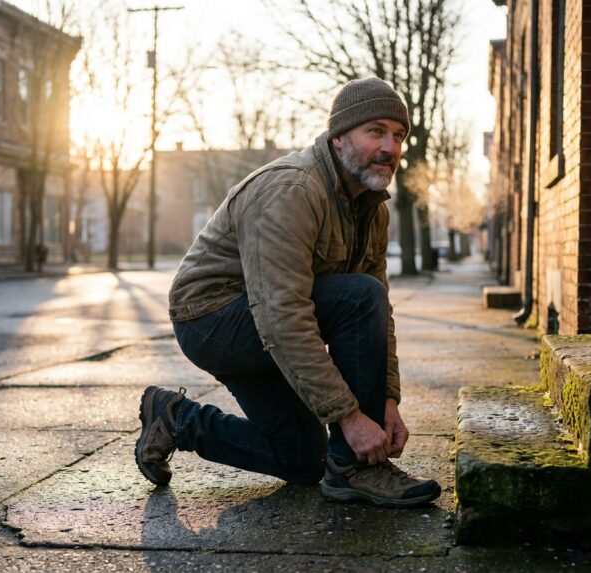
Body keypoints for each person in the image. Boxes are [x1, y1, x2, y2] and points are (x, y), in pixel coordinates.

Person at [135, 77, 440, 508]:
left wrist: (388, 401)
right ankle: (356, 469)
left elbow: (379, 316)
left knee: (303, 459)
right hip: (212, 320)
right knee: (360, 296)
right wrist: (351, 419)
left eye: (398, 135)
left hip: (266, 320)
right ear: (339, 137)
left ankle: (175, 418)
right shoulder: (292, 191)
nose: (390, 147)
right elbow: (283, 316)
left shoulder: (371, 208)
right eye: (376, 131)